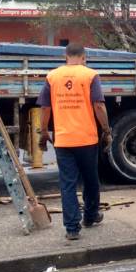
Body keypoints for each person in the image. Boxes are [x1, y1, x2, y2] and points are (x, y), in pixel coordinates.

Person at [38, 42, 113, 241]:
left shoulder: (52, 76)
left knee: (68, 184)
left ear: (65, 56)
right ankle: (90, 216)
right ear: (83, 56)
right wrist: (106, 130)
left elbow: (45, 108)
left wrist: (44, 132)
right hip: (86, 138)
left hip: (63, 140)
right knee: (90, 180)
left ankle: (72, 228)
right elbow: (98, 106)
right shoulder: (90, 75)